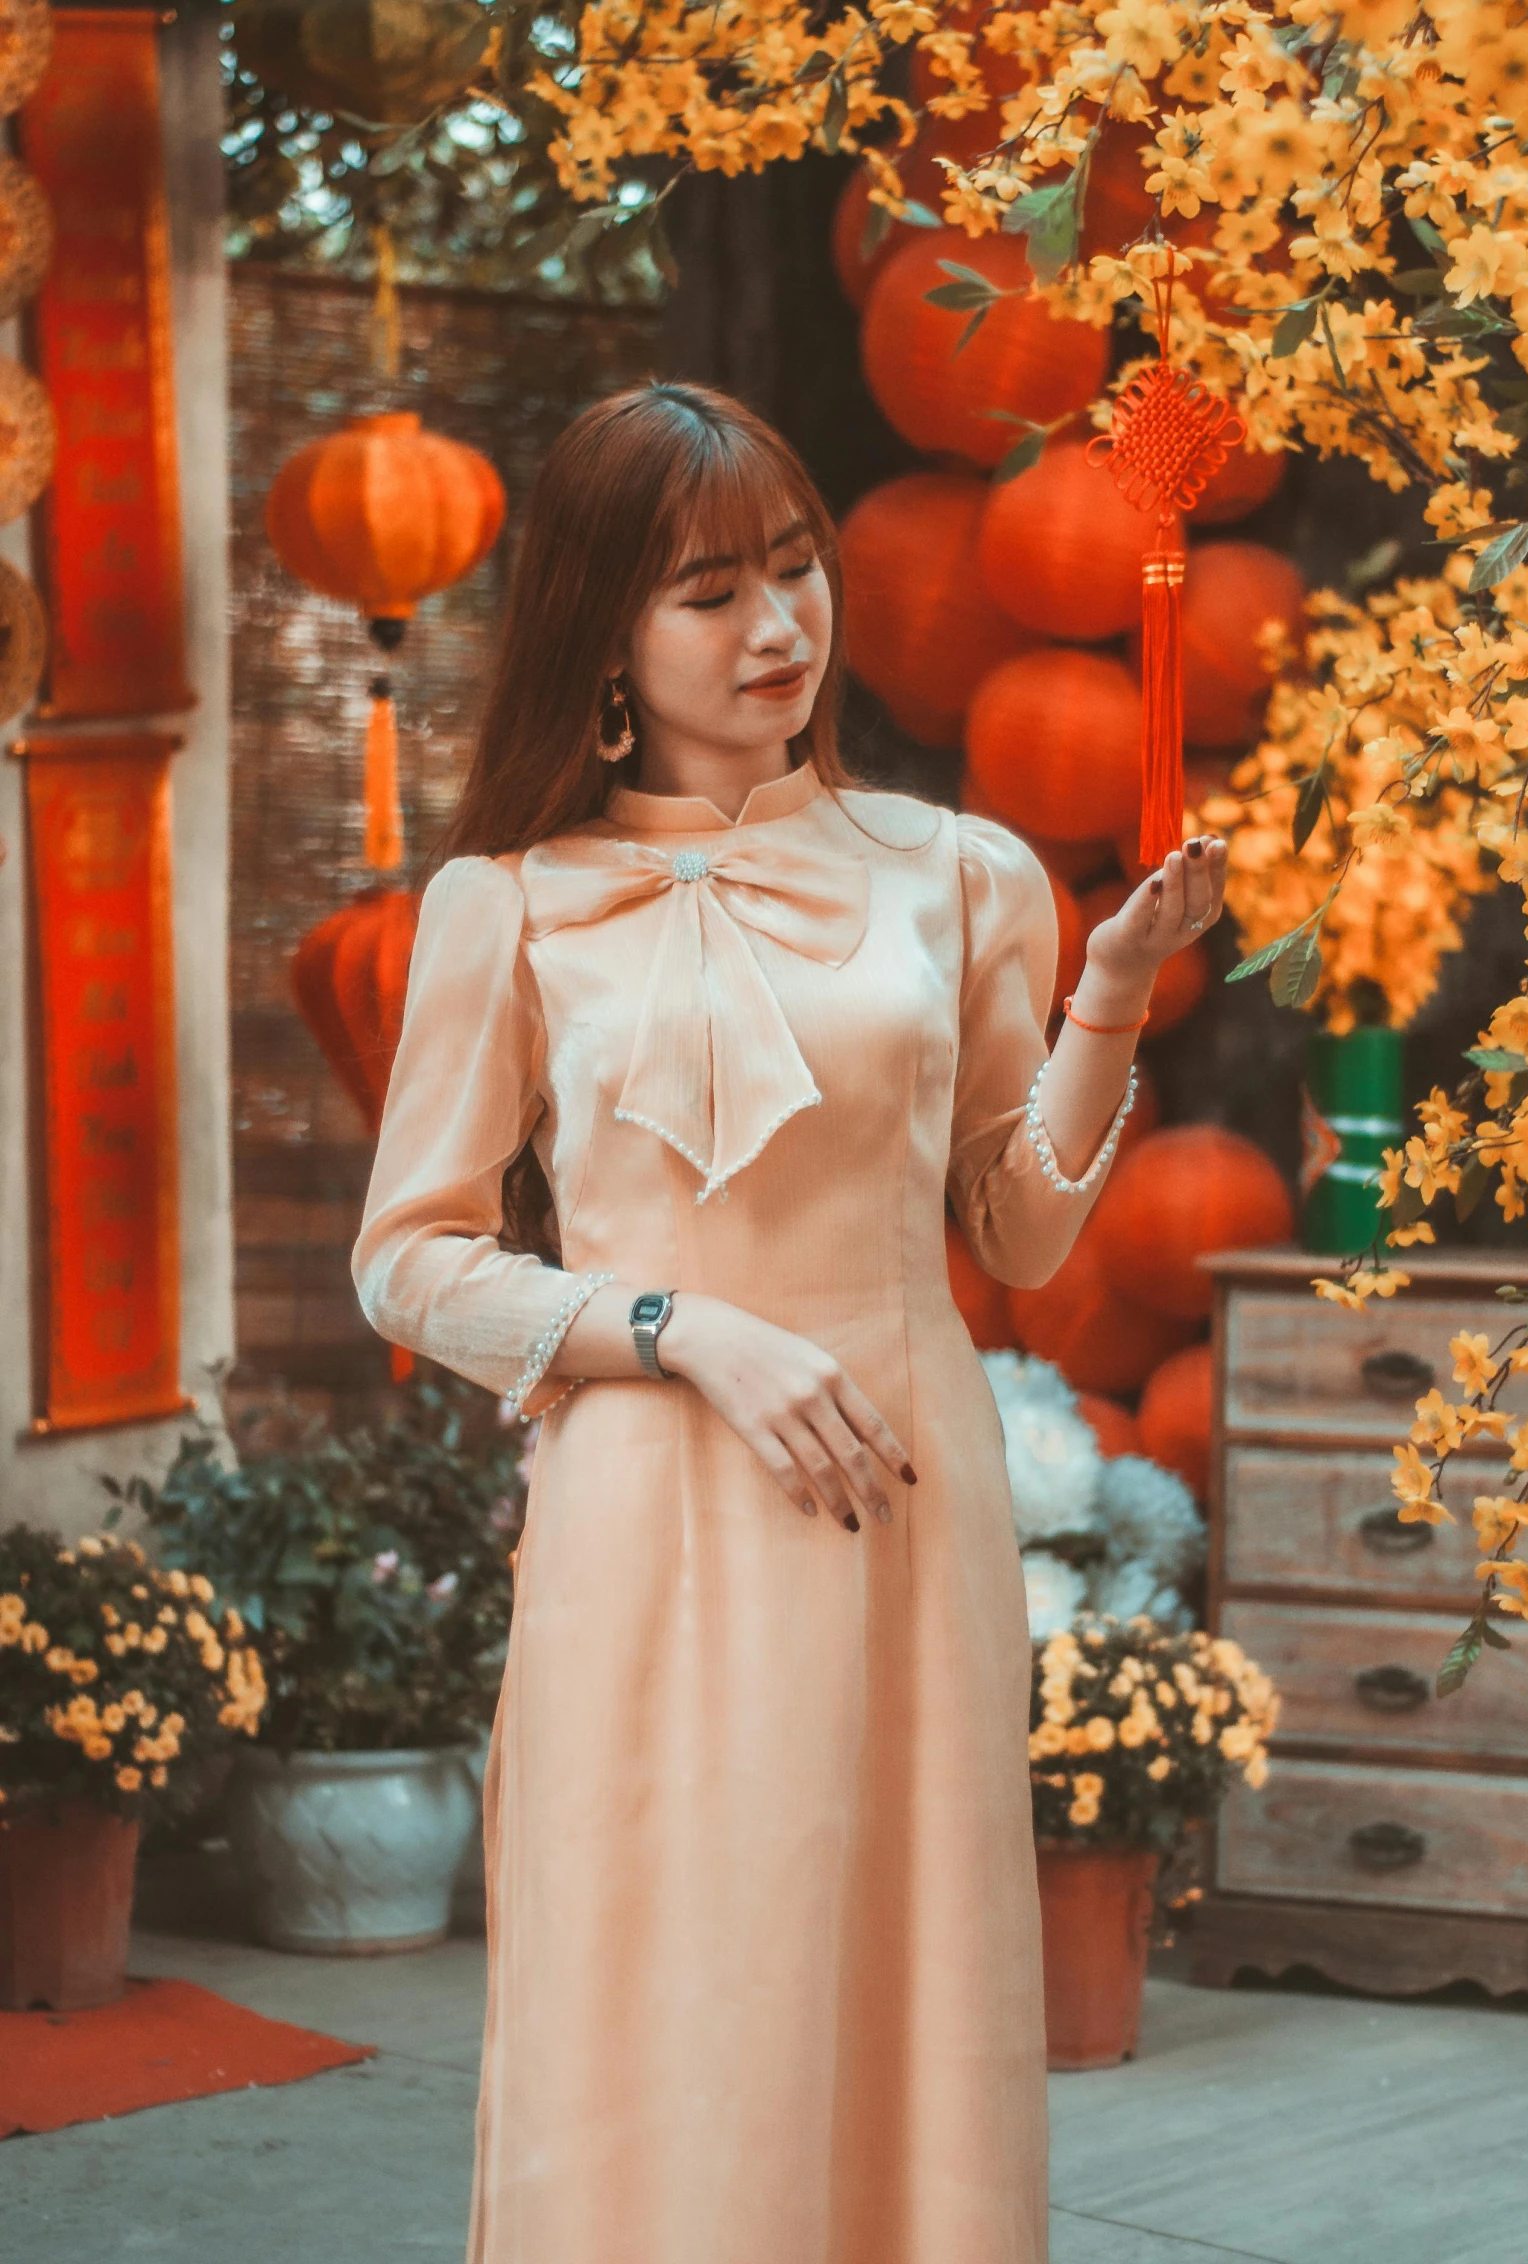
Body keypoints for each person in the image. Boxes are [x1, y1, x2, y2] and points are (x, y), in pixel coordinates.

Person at [351, 380, 1226, 2264]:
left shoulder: (956, 874)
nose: (780, 629)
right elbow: (410, 1259)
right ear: (601, 628)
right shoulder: (505, 907)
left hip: (901, 1513)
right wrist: (682, 1328)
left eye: (800, 569)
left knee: (903, 1980)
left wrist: (1110, 1002)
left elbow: (1019, 1222)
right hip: (648, 1515)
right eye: (708, 593)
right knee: (662, 1979)